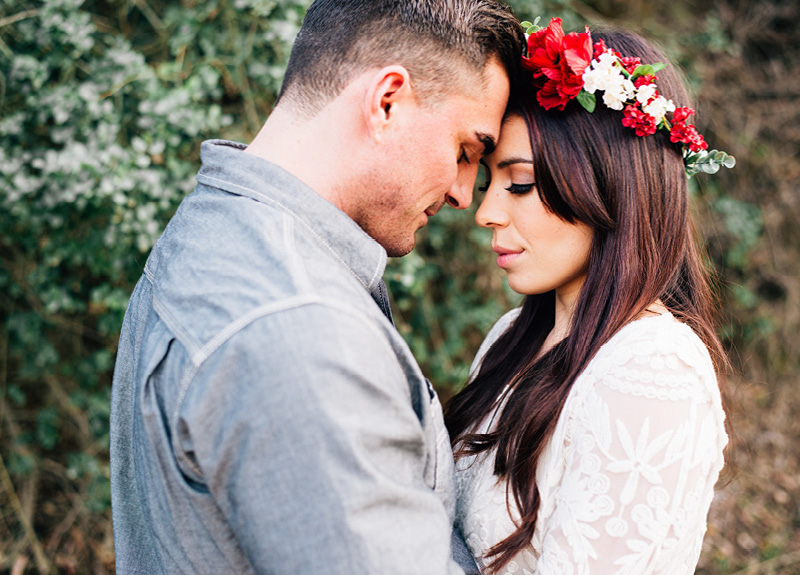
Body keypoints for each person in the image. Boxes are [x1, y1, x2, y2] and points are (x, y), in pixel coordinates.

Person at [108, 1, 525, 574]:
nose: (462, 192)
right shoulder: (301, 329)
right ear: (387, 101)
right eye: (464, 152)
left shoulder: (211, 229)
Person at [445, 19, 732, 575]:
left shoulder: (652, 371)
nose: (486, 213)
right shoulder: (509, 337)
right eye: (488, 186)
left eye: (520, 184)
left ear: (607, 182)